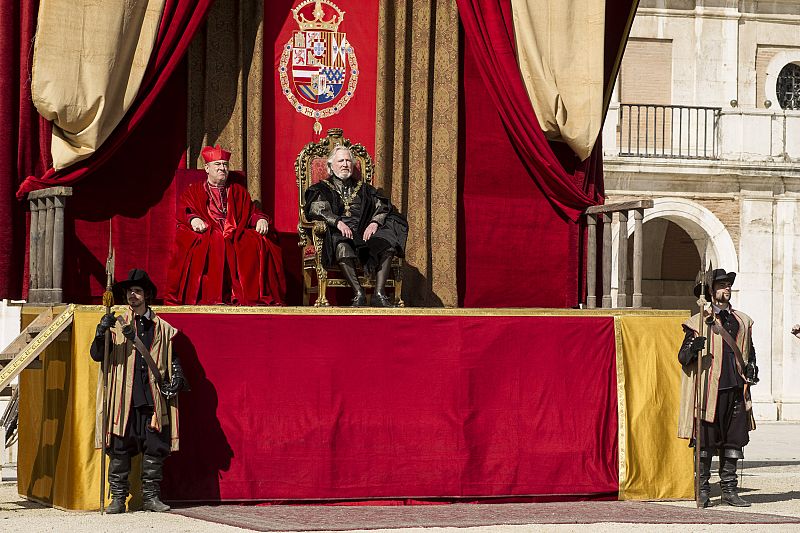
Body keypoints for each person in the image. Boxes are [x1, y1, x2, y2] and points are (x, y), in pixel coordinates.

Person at [91, 269, 187, 513]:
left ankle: (150, 498)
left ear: (146, 295)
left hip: (152, 399)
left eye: (137, 291)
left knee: (154, 449)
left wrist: (177, 378)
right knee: (120, 449)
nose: (132, 295)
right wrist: (101, 333)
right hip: (124, 398)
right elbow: (97, 355)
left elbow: (172, 358)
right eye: (129, 292)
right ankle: (117, 499)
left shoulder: (163, 328)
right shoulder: (116, 324)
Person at [677, 268, 759, 508]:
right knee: (707, 443)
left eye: (728, 285)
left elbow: (748, 351)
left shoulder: (741, 320)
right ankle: (702, 489)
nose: (727, 289)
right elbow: (682, 357)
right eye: (722, 286)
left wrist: (752, 367)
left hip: (736, 387)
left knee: (733, 441)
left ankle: (729, 490)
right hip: (709, 391)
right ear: (711, 292)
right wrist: (694, 349)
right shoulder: (698, 322)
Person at [165, 145, 286, 305]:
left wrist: (260, 220)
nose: (222, 168)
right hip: (208, 231)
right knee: (216, 240)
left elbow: (250, 212)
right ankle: (214, 298)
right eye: (218, 164)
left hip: (235, 231)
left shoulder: (237, 191)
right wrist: (194, 219)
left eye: (225, 165)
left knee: (257, 241)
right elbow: (185, 210)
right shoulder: (193, 191)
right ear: (207, 168)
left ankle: (244, 296)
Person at [303, 145, 407, 307]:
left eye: (348, 161)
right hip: (339, 234)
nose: (345, 164)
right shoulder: (321, 188)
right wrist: (337, 222)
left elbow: (383, 207)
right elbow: (316, 208)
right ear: (331, 166)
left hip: (364, 233)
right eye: (341, 161)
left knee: (387, 244)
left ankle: (379, 294)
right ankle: (358, 293)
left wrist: (374, 223)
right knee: (342, 245)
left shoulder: (365, 189)